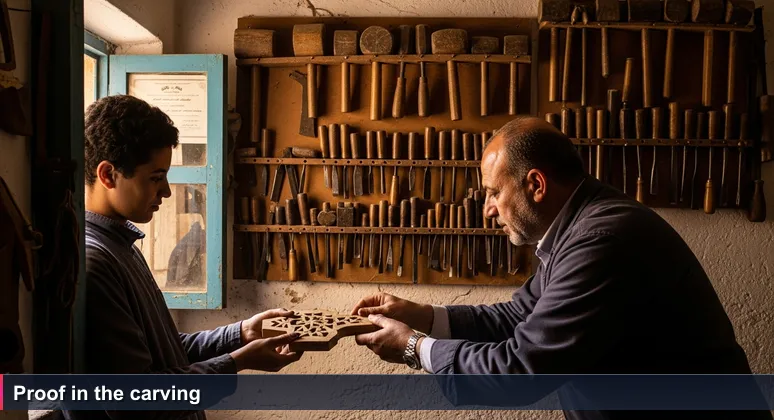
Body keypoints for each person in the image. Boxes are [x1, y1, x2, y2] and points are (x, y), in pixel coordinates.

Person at [351, 116, 771, 420]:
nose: (487, 209)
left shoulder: (601, 241)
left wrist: (414, 346)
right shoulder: (578, 228)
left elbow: (520, 371)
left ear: (535, 184)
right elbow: (520, 316)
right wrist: (423, 316)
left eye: (494, 192)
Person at [75, 95, 302, 419]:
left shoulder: (121, 246)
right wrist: (239, 361)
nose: (167, 192)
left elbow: (163, 351)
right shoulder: (95, 265)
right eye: (155, 177)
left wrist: (240, 334)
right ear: (108, 174)